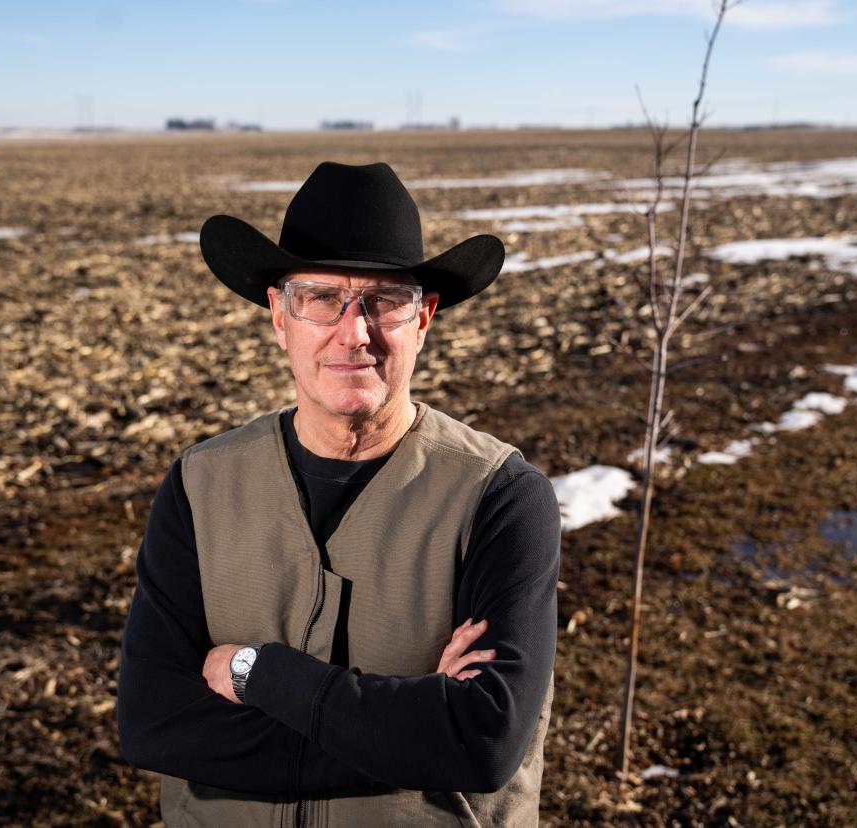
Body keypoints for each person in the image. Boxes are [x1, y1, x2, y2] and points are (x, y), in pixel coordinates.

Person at [117, 160, 561, 827]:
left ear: (424, 318)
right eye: (320, 297)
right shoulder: (199, 485)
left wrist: (256, 675)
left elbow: (485, 742)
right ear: (278, 315)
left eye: (385, 300)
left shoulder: (497, 496)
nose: (354, 332)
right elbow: (152, 723)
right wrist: (414, 734)